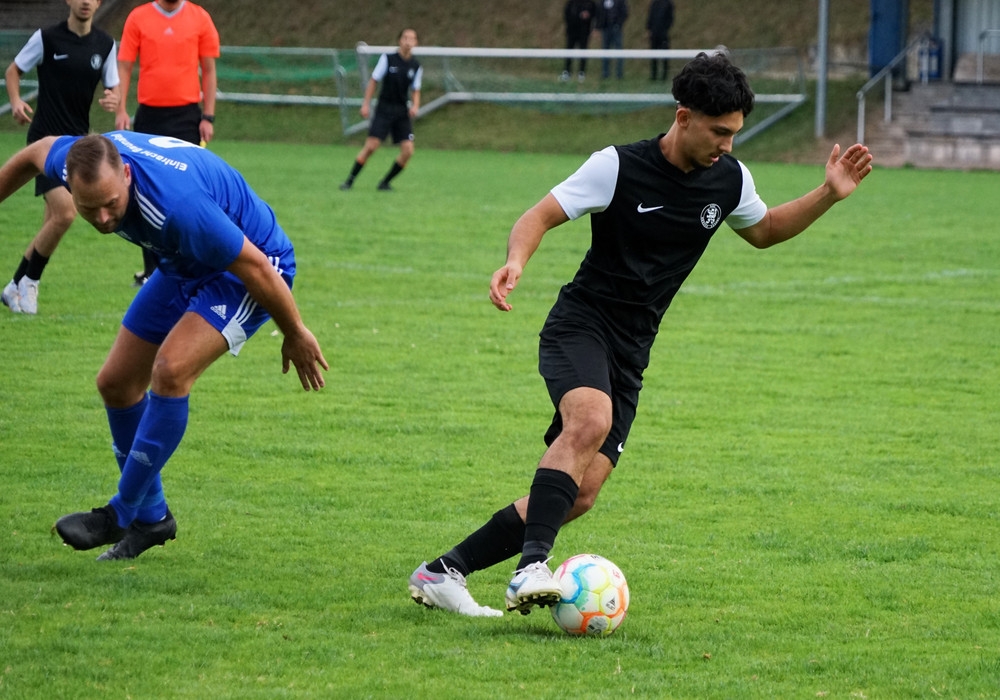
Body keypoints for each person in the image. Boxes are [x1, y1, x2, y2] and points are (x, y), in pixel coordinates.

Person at [408, 52, 873, 617]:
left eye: (734, 133)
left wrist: (828, 193)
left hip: (632, 351)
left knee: (581, 493)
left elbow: (766, 229)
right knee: (590, 420)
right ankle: (531, 567)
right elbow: (538, 216)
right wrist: (515, 261)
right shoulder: (616, 167)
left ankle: (443, 571)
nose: (727, 145)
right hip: (580, 324)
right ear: (683, 117)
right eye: (718, 132)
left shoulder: (730, 179)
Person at [0, 131, 329, 560]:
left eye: (110, 204)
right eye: (88, 208)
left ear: (127, 174)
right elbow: (33, 153)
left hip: (253, 268)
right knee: (116, 383)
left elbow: (256, 269)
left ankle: (120, 513)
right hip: (183, 262)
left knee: (171, 371)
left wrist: (295, 332)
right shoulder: (71, 161)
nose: (102, 218)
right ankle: (153, 518)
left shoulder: (179, 207)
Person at [1, 0, 119, 315]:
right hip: (44, 144)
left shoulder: (105, 45)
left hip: (77, 148)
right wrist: (15, 101)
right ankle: (31, 281)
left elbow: (114, 88)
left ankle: (15, 285)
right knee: (66, 214)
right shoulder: (46, 38)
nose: (85, 1)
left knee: (53, 222)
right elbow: (13, 71)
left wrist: (114, 99)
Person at [115, 0, 220, 286]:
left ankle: (187, 263)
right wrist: (121, 109)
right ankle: (152, 271)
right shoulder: (138, 18)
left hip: (187, 117)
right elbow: (124, 66)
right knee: (142, 189)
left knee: (187, 190)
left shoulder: (200, 18)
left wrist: (208, 116)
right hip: (149, 116)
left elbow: (209, 69)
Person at [339, 28, 422, 192]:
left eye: (412, 38)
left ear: (416, 43)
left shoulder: (416, 66)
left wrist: (415, 105)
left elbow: (416, 89)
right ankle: (349, 181)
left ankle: (385, 182)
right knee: (371, 146)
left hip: (401, 111)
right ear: (399, 40)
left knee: (408, 150)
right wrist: (366, 104)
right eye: (405, 37)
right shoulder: (388, 59)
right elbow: (374, 81)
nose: (408, 41)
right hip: (384, 108)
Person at [561, 0, 597, 82]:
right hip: (572, 32)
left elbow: (595, 15)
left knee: (583, 52)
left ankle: (581, 72)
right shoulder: (571, 3)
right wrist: (579, 16)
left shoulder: (590, 3)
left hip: (584, 32)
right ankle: (567, 71)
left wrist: (589, 16)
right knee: (569, 51)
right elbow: (566, 15)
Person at [596, 0, 629, 80]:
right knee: (605, 51)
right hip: (605, 29)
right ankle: (605, 74)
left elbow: (625, 13)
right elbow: (599, 13)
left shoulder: (620, 1)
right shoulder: (602, 1)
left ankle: (619, 74)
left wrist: (618, 24)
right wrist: (599, 26)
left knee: (618, 51)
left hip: (616, 29)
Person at [647, 0, 675, 81]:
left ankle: (664, 76)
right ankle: (654, 75)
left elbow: (670, 18)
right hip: (654, 34)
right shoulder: (654, 3)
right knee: (653, 56)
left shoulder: (668, 3)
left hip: (663, 34)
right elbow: (650, 16)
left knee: (665, 56)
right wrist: (649, 29)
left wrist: (665, 28)